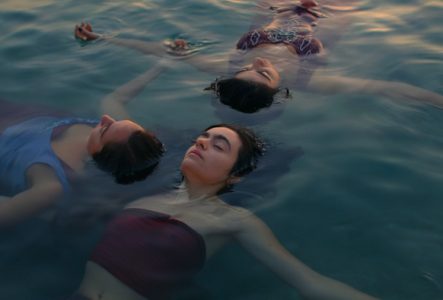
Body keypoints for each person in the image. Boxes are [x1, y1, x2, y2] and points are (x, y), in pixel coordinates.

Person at [69, 124, 377, 300]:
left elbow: (309, 282)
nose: (202, 143)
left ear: (235, 176)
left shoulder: (233, 220)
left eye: (219, 146)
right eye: (201, 139)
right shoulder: (143, 194)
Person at [74, 0, 443, 114]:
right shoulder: (310, 81)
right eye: (262, 74)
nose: (259, 64)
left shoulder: (229, 67)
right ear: (280, 91)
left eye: (250, 68)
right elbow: (386, 87)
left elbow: (159, 49)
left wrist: (103, 37)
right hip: (330, 11)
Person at [0, 64, 166, 228]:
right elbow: (114, 99)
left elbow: (5, 213)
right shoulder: (124, 137)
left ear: (100, 152)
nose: (106, 117)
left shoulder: (52, 184)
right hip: (18, 115)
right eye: (117, 121)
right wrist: (160, 66)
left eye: (105, 128)